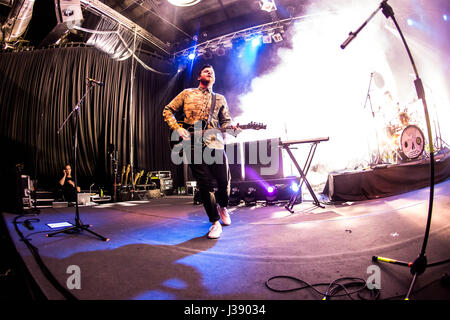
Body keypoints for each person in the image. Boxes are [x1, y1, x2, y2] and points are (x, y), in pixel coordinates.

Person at [163, 65, 239, 239]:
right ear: (199, 77)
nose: (210, 72)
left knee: (223, 180)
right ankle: (214, 222)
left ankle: (223, 206)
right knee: (204, 184)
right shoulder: (187, 93)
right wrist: (177, 128)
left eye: (212, 71)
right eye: (206, 71)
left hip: (216, 144)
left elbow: (226, 122)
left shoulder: (219, 99)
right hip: (193, 145)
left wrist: (234, 127)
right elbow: (167, 110)